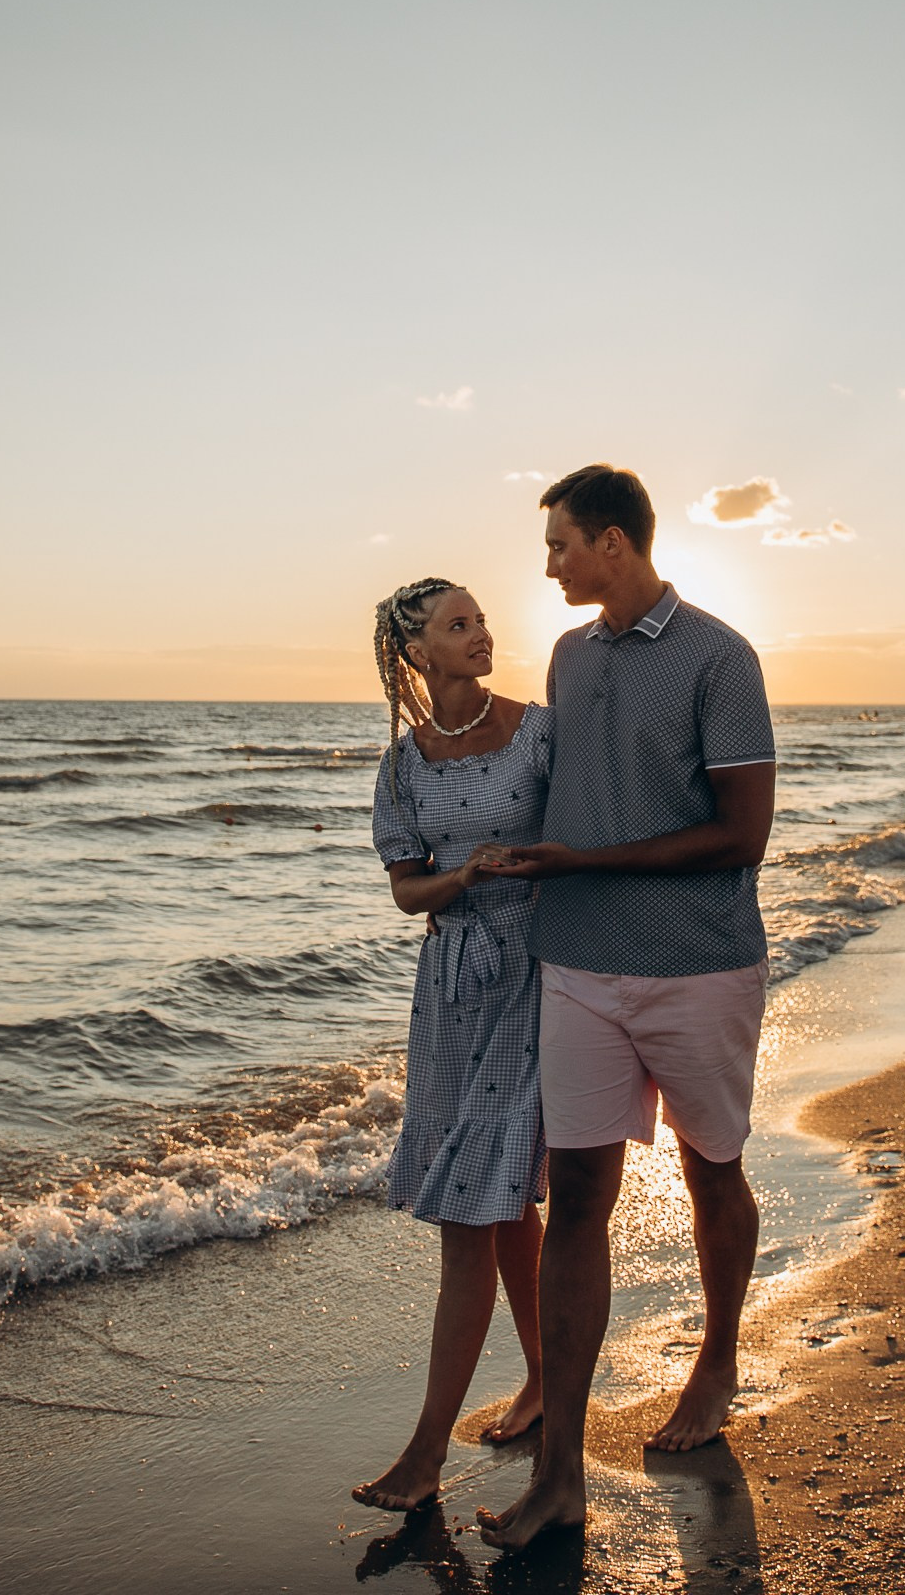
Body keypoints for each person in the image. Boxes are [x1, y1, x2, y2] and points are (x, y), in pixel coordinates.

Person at [478, 464, 776, 1552]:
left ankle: (718, 1359)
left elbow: (742, 835)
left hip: (698, 965)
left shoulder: (719, 657)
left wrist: (587, 860)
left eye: (560, 544)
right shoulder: (568, 654)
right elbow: (569, 785)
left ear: (613, 541)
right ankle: (561, 1474)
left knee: (711, 1168)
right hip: (576, 963)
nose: (550, 565)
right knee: (576, 1198)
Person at [353, 577, 554, 1513]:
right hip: (449, 990)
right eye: (458, 625)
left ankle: (426, 1452)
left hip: (537, 975)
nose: (481, 634)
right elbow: (408, 892)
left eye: (481, 620)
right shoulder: (402, 769)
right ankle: (543, 1380)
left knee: (477, 1210)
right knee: (501, 1206)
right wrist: (462, 878)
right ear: (417, 653)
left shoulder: (540, 732)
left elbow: (589, 836)